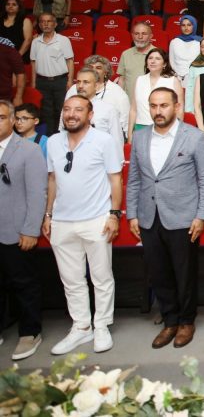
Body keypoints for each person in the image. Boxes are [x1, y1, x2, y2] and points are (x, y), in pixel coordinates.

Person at [125, 88, 204, 350]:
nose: (158, 111)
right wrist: (132, 214)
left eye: (163, 105)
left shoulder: (194, 137)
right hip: (149, 216)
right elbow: (134, 179)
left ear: (176, 106)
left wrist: (201, 215)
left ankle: (186, 321)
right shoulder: (140, 138)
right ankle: (170, 321)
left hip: (183, 217)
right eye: (153, 106)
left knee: (184, 274)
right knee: (159, 272)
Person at [43, 96, 124, 355]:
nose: (71, 114)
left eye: (78, 110)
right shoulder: (53, 142)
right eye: (67, 109)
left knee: (101, 277)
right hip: (62, 221)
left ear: (90, 115)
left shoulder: (104, 141)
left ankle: (101, 325)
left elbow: (115, 179)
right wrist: (48, 214)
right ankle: (81, 326)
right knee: (71, 280)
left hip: (97, 219)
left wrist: (114, 214)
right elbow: (53, 179)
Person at [0, 98, 49, 360]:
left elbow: (37, 193)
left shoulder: (29, 150)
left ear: (12, 121)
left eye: (1, 117)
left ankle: (30, 332)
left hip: (17, 230)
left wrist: (31, 230)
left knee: (24, 283)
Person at [30, 13, 74, 134]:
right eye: (42, 21)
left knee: (61, 109)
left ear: (55, 24)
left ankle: (62, 136)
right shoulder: (35, 42)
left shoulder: (63, 40)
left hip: (60, 81)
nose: (46, 24)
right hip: (42, 82)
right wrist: (33, 82)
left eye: (49, 21)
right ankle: (50, 137)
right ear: (39, 25)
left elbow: (70, 61)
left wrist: (70, 80)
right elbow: (33, 62)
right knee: (46, 112)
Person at [128, 49, 183, 142]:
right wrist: (129, 133)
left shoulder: (173, 81)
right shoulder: (139, 80)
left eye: (157, 58)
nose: (153, 61)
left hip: (166, 128)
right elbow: (133, 109)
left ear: (164, 64)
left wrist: (177, 132)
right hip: (141, 127)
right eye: (150, 58)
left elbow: (179, 110)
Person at [119, 22, 156, 105]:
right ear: (132, 35)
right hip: (129, 103)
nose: (140, 37)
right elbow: (122, 79)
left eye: (144, 34)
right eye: (136, 34)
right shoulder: (126, 54)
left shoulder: (158, 55)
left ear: (151, 36)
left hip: (151, 104)